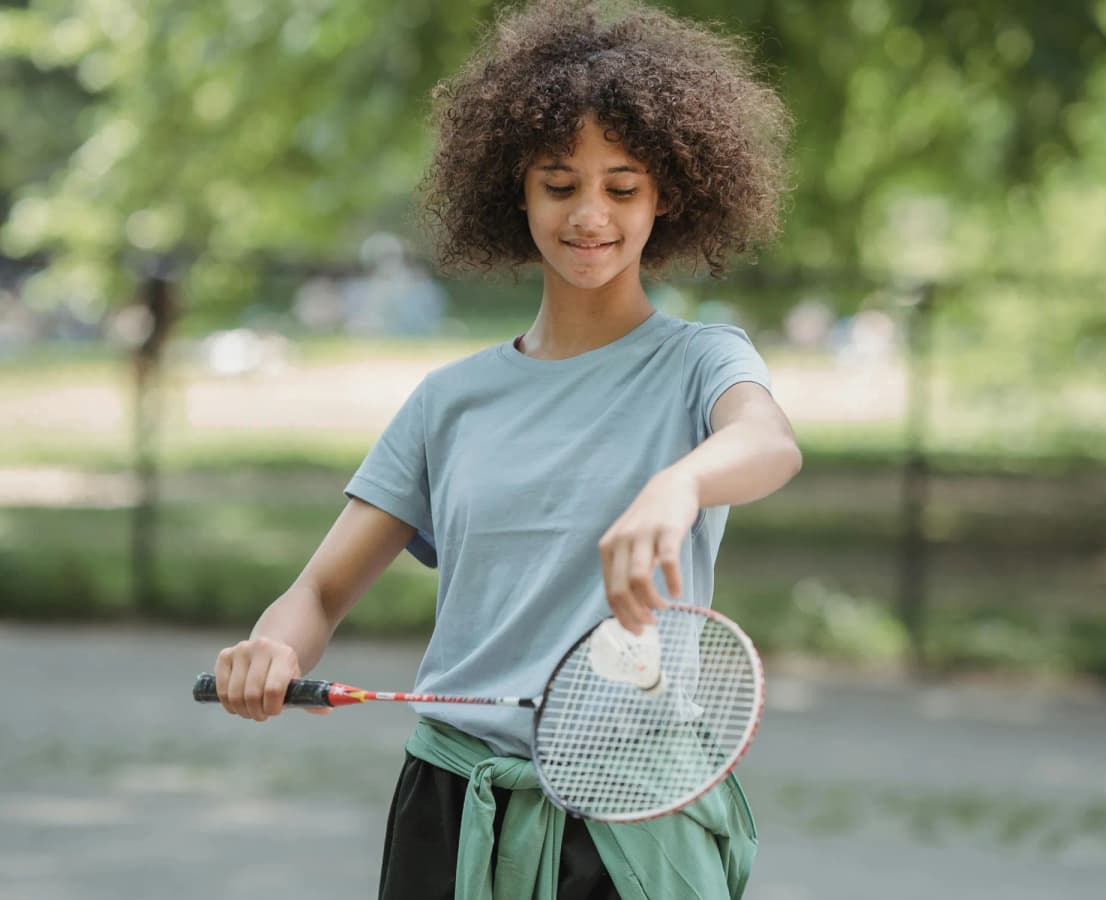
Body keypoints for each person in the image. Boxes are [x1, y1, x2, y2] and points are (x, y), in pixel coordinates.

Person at [212, 1, 799, 897]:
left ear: (668, 193)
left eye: (622, 185)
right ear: (515, 191)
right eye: (559, 184)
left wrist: (679, 486)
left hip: (630, 807)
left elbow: (767, 442)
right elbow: (322, 590)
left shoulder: (702, 363)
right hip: (451, 808)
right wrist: (271, 649)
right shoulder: (449, 401)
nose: (589, 214)